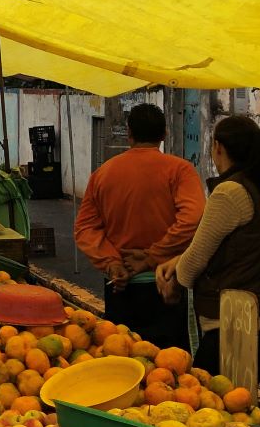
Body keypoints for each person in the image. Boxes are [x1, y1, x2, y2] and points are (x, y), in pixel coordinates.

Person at [156, 115, 260, 382]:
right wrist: (178, 262)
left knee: (208, 407)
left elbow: (195, 261)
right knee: (233, 409)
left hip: (233, 328)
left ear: (217, 146)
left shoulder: (229, 192)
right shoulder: (257, 188)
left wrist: (175, 278)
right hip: (258, 324)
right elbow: (223, 248)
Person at [73, 104, 205, 350]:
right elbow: (192, 219)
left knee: (122, 359)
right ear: (164, 134)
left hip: (120, 286)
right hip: (167, 285)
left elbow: (85, 228)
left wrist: (112, 263)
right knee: (172, 366)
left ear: (129, 134)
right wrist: (152, 257)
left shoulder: (103, 174)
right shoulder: (180, 170)